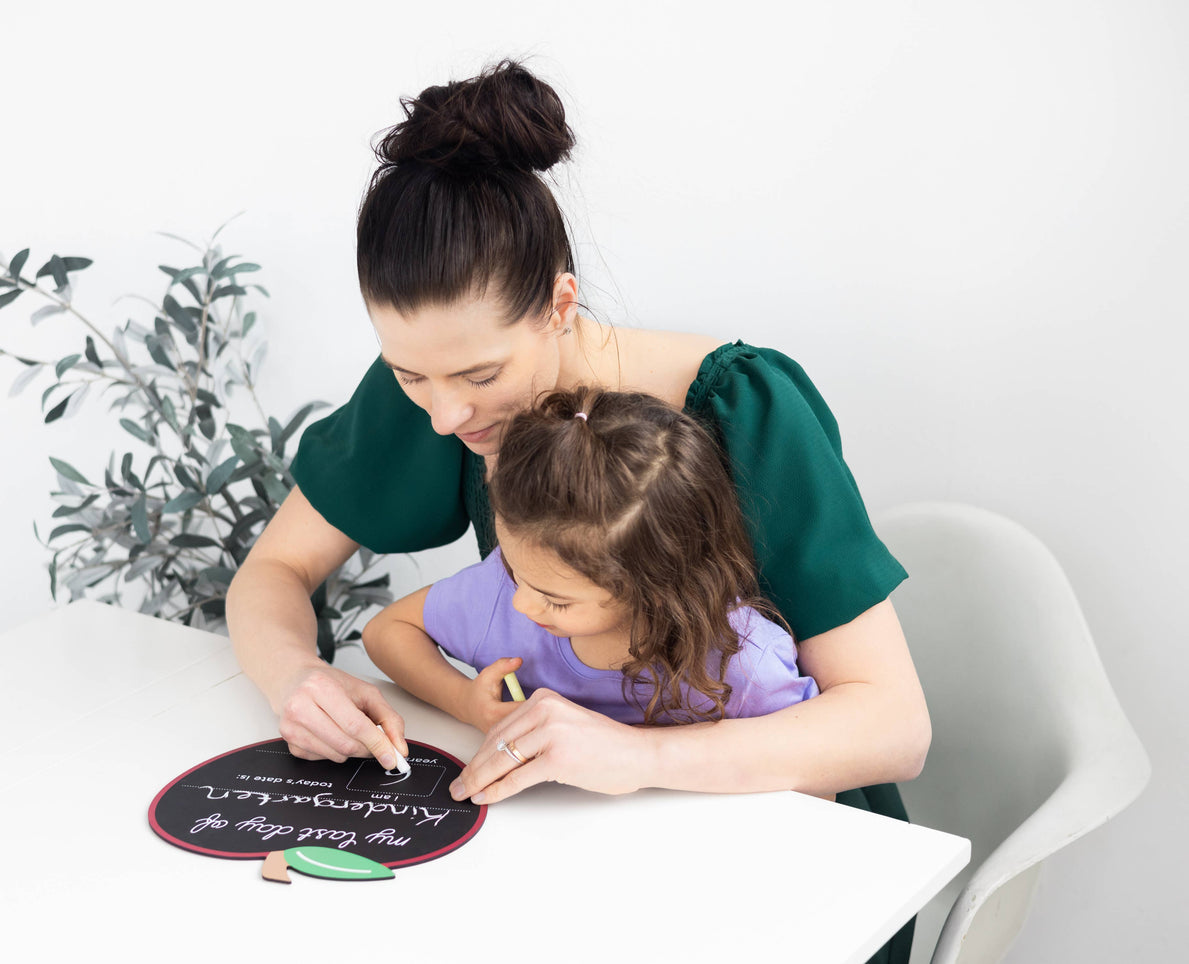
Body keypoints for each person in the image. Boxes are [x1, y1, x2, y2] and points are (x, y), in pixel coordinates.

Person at [225, 58, 928, 964]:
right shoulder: (443, 390)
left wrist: (636, 760)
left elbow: (892, 728)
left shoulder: (742, 404)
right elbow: (273, 574)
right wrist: (295, 678)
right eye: (409, 374)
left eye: (480, 376)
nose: (443, 415)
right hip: (582, 850)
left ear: (560, 302)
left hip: (788, 862)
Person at [361, 387, 821, 750]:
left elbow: (813, 771)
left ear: (654, 587)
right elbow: (387, 630)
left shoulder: (743, 665)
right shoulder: (500, 594)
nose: (521, 602)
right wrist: (464, 701)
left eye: (556, 599)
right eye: (516, 572)